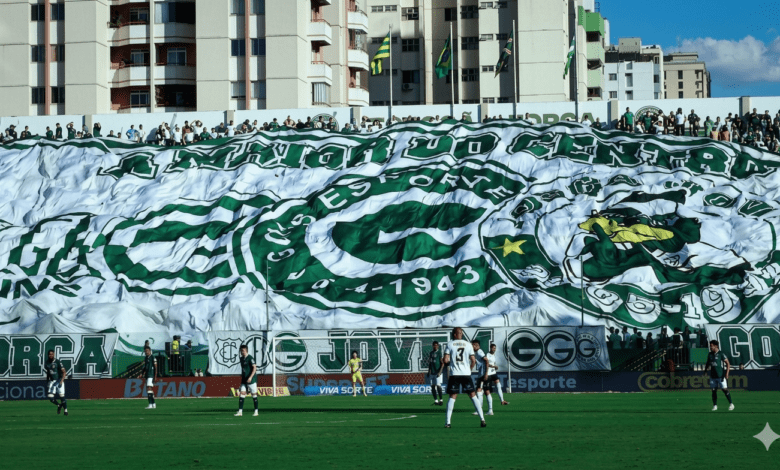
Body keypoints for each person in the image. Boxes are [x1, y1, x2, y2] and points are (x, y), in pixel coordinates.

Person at [442, 327, 486, 428]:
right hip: (466, 374)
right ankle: (482, 419)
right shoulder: (468, 344)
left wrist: (449, 361)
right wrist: (469, 369)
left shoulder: (450, 344)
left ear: (454, 334)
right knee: (473, 395)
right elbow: (473, 360)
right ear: (461, 334)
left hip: (454, 374)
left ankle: (448, 422)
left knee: (452, 397)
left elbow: (445, 360)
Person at [704, 340, 734, 411]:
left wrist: (727, 373)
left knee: (724, 389)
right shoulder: (710, 354)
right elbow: (708, 363)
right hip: (713, 376)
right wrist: (705, 371)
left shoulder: (721, 354)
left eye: (711, 346)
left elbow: (728, 363)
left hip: (721, 376)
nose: (710, 347)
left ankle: (731, 404)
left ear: (716, 346)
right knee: (713, 390)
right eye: (710, 346)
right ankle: (715, 406)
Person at [235, 344, 259, 416]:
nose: (242, 352)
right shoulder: (241, 358)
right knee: (242, 394)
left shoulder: (250, 358)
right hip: (244, 379)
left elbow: (254, 368)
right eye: (241, 351)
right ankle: (240, 412)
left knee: (254, 395)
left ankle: (256, 411)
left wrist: (251, 377)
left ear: (246, 350)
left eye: (244, 351)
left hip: (251, 379)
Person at [484, 343, 509, 411]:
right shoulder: (487, 355)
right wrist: (493, 366)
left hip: (493, 373)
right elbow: (486, 364)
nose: (494, 349)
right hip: (488, 374)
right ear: (490, 348)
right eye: (493, 348)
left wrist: (495, 367)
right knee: (486, 390)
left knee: (498, 385)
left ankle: (502, 400)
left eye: (495, 348)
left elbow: (493, 363)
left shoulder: (494, 355)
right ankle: (489, 408)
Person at [44, 349, 68, 416]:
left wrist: (62, 381)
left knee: (61, 396)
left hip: (59, 380)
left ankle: (66, 410)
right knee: (50, 397)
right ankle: (59, 405)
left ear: (54, 354)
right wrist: (47, 381)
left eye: (52, 354)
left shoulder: (58, 362)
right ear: (48, 355)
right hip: (52, 381)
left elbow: (64, 372)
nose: (51, 355)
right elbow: (48, 372)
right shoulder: (47, 363)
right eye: (49, 354)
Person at [471, 340, 490, 415]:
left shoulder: (479, 351)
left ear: (476, 345)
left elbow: (486, 360)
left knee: (479, 390)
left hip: (482, 374)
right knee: (481, 391)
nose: (472, 347)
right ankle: (487, 410)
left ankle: (479, 410)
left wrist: (486, 373)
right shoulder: (477, 352)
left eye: (473, 345)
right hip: (481, 373)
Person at [427, 341, 444, 405]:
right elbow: (430, 363)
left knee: (438, 386)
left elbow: (442, 363)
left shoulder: (439, 353)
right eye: (434, 345)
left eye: (436, 345)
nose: (435, 346)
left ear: (438, 346)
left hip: (437, 372)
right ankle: (436, 400)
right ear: (432, 346)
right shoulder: (431, 353)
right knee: (433, 386)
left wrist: (440, 372)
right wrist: (429, 371)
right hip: (432, 372)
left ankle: (441, 400)